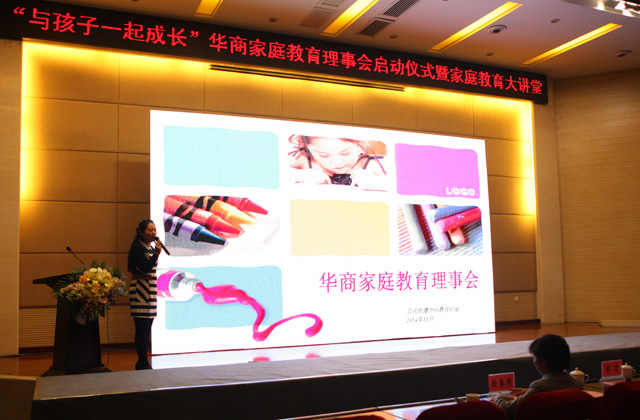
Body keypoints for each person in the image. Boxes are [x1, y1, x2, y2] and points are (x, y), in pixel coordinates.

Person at [492, 334, 583, 419]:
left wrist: (498, 397)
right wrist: (529, 391)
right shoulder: (576, 384)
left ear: (543, 361)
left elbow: (508, 409)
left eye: (534, 357)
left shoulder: (540, 387)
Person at [288, 134, 388, 191]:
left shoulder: (369, 165)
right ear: (307, 147)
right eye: (324, 155)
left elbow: (394, 185)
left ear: (358, 143)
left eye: (345, 153)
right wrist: (298, 174)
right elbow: (278, 172)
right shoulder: (303, 160)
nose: (337, 162)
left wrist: (377, 182)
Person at [127, 219, 164, 370]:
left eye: (154, 230)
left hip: (150, 289)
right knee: (141, 328)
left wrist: (155, 253)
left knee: (148, 328)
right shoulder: (137, 247)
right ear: (141, 232)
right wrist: (156, 254)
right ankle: (142, 361)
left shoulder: (149, 247)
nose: (154, 233)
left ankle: (143, 361)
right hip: (140, 290)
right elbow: (144, 268)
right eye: (150, 230)